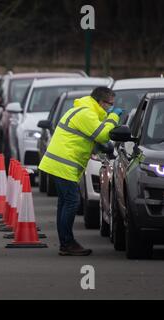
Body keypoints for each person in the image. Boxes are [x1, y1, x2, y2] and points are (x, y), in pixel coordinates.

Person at [38, 87, 122, 256]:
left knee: (65, 202)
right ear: (100, 102)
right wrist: (114, 117)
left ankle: (66, 242)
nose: (111, 108)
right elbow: (103, 135)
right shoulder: (86, 113)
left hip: (59, 163)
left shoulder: (84, 110)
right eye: (109, 105)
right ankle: (67, 243)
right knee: (72, 202)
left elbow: (89, 137)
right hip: (64, 164)